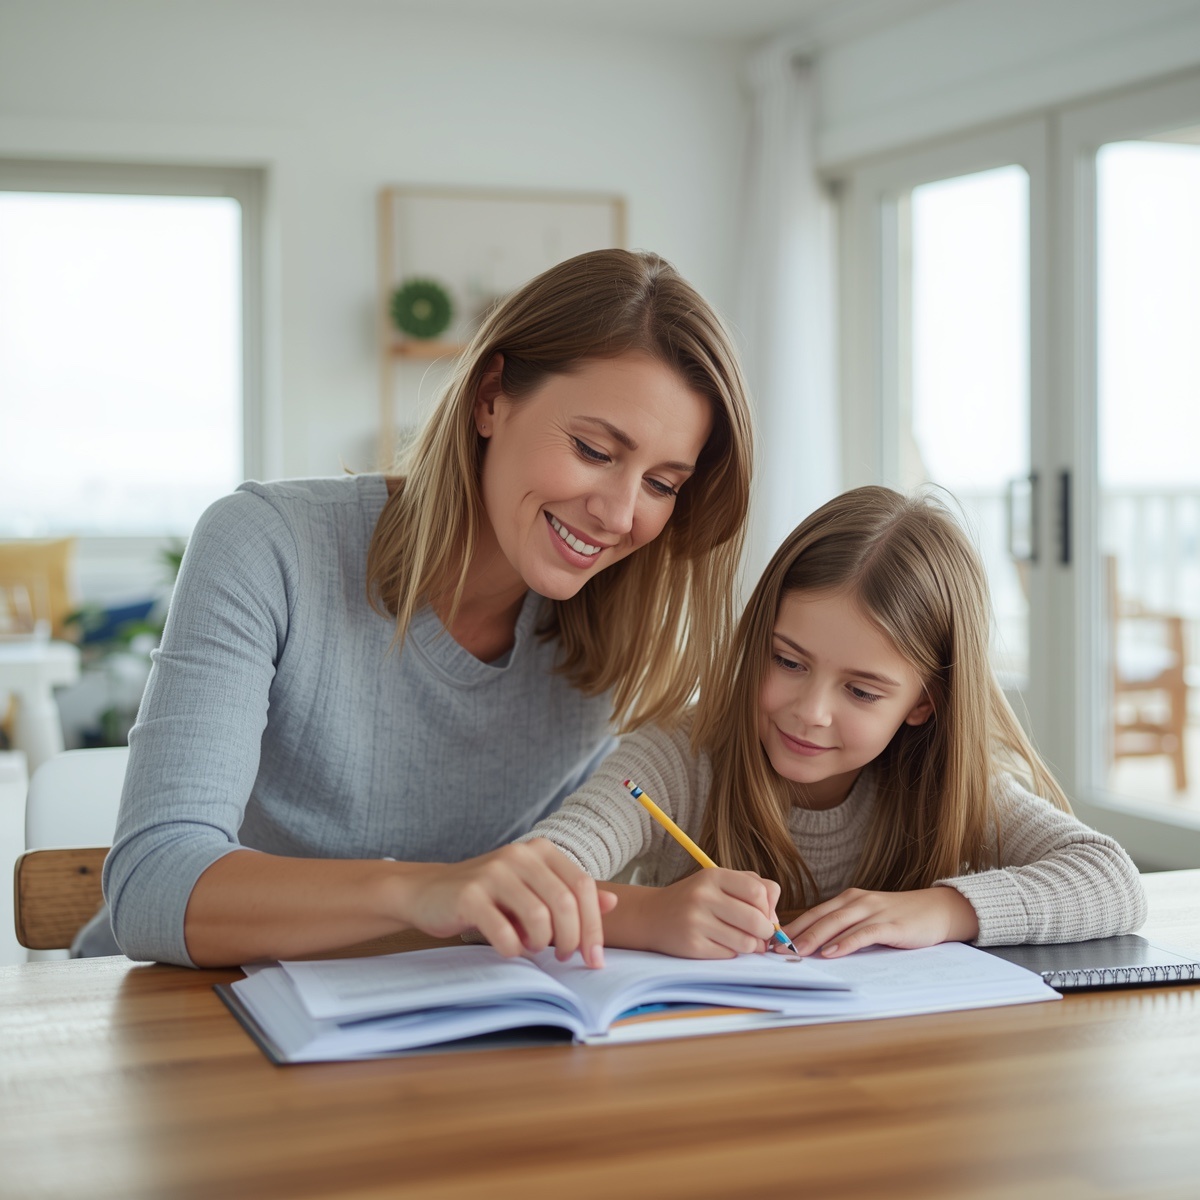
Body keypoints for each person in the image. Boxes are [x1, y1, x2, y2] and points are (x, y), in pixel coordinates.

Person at [90, 248, 754, 968]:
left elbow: (500, 904)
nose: (620, 514)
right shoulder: (266, 546)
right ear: (491, 397)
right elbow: (151, 889)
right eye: (594, 449)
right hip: (196, 1020)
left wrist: (649, 914)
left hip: (424, 1026)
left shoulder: (614, 633)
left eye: (662, 483)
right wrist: (428, 890)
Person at [520, 486, 1147, 959]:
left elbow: (1114, 880)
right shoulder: (678, 758)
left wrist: (942, 910)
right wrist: (649, 916)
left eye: (862, 691)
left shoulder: (944, 784)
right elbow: (513, 890)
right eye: (788, 660)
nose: (810, 711)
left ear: (923, 703)